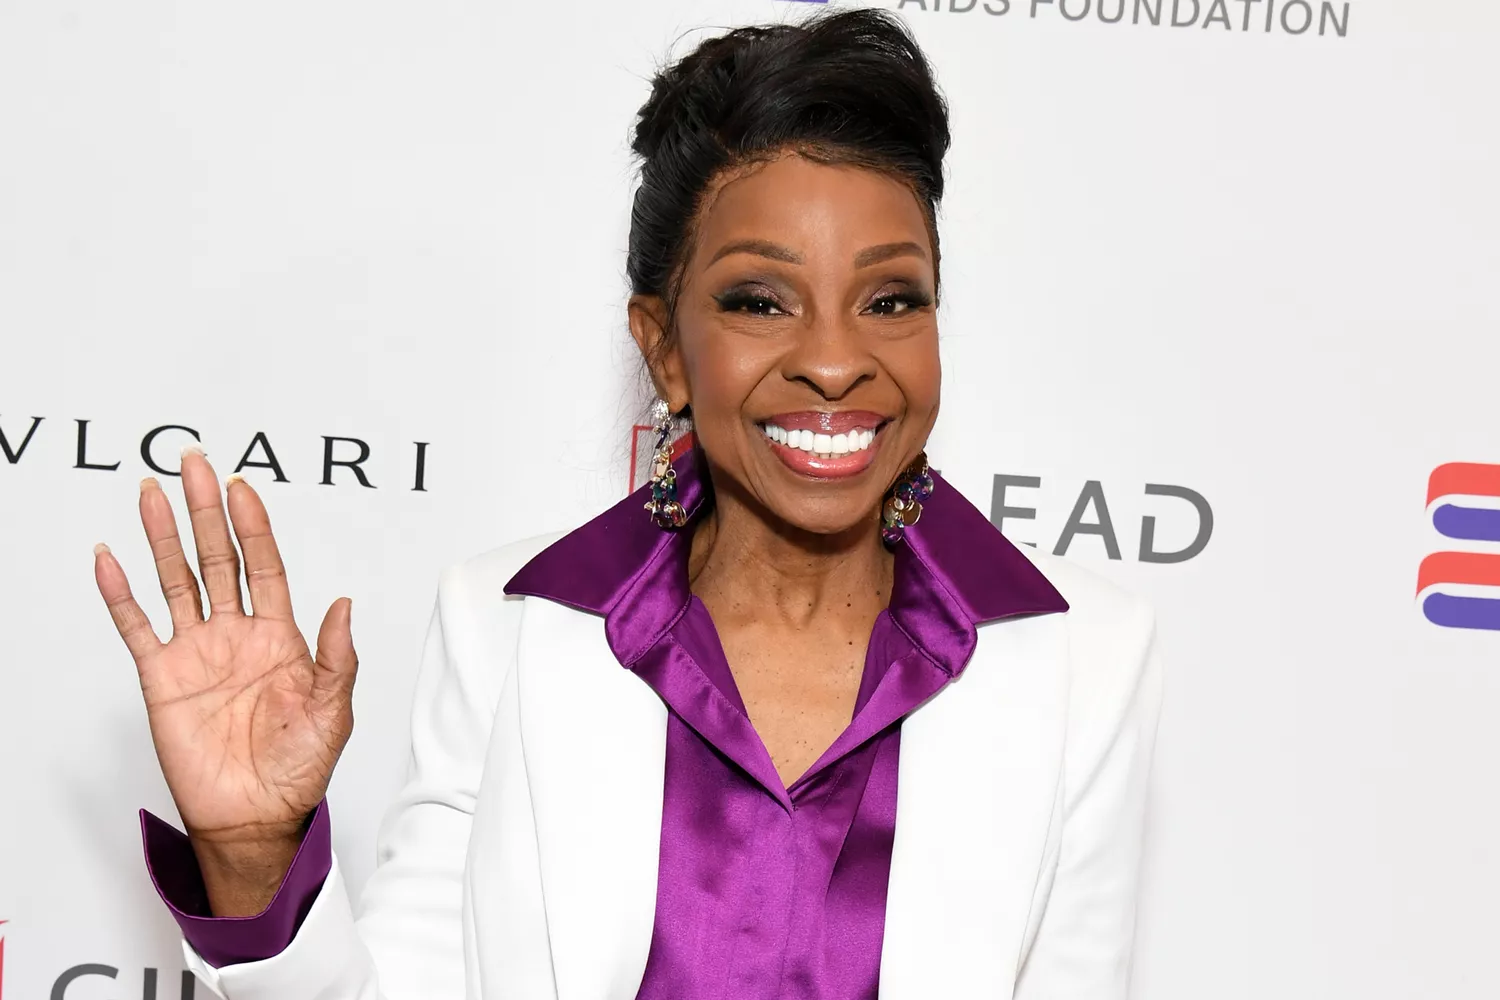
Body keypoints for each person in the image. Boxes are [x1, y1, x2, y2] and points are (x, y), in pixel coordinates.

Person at [92, 9, 1163, 999]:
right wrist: (249, 856)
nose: (836, 361)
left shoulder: (1086, 663)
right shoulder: (507, 626)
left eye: (892, 299)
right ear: (664, 345)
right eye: (759, 300)